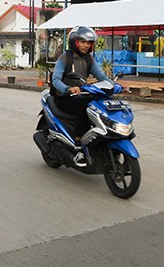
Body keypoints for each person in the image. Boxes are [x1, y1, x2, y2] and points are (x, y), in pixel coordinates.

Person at [50, 26, 118, 167]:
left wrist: (114, 85)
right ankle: (78, 144)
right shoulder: (65, 57)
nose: (86, 45)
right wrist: (68, 89)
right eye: (82, 42)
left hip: (81, 94)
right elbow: (55, 80)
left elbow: (101, 76)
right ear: (74, 41)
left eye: (89, 42)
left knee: (104, 104)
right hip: (64, 96)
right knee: (82, 106)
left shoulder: (89, 59)